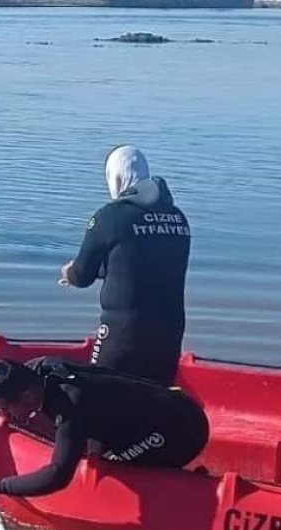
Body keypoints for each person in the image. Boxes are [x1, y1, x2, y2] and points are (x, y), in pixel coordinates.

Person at [0, 357, 209, 498]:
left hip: (181, 430)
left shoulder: (70, 406)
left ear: (26, 397)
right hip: (164, 407)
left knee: (108, 466)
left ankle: (191, 489)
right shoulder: (36, 370)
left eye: (6, 408)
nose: (4, 415)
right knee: (93, 446)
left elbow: (58, 476)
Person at [58, 145, 191, 386]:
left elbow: (83, 275)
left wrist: (70, 272)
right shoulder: (178, 219)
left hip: (123, 331)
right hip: (169, 332)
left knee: (98, 393)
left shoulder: (109, 218)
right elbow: (135, 266)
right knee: (155, 397)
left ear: (115, 176)